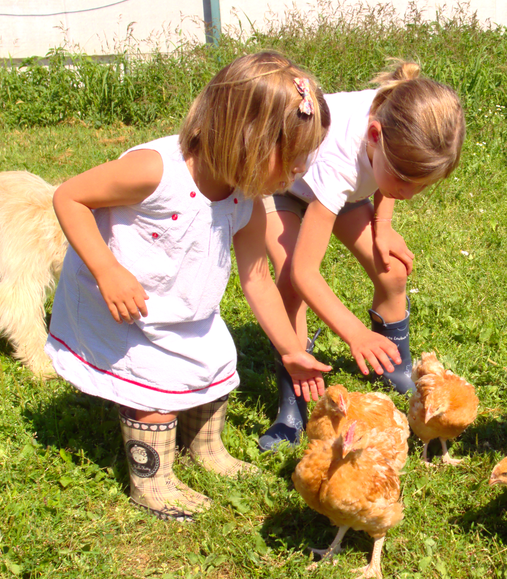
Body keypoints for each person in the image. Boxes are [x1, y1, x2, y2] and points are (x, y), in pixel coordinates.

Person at [45, 52, 333, 521]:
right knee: (154, 392)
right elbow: (69, 196)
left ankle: (207, 448)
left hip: (185, 305)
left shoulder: (248, 201)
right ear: (247, 137)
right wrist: (107, 270)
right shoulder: (155, 171)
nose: (300, 169)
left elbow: (257, 277)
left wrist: (290, 349)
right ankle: (152, 479)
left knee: (215, 364)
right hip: (125, 303)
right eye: (293, 157)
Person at [257, 59, 465, 451]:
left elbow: (386, 183)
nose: (410, 193)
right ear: (373, 136)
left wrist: (382, 225)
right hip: (282, 184)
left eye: (422, 186)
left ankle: (392, 367)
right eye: (405, 180)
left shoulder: (398, 115)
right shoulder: (341, 158)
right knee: (289, 283)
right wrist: (354, 332)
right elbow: (305, 272)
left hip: (345, 191)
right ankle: (293, 404)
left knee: (392, 271)